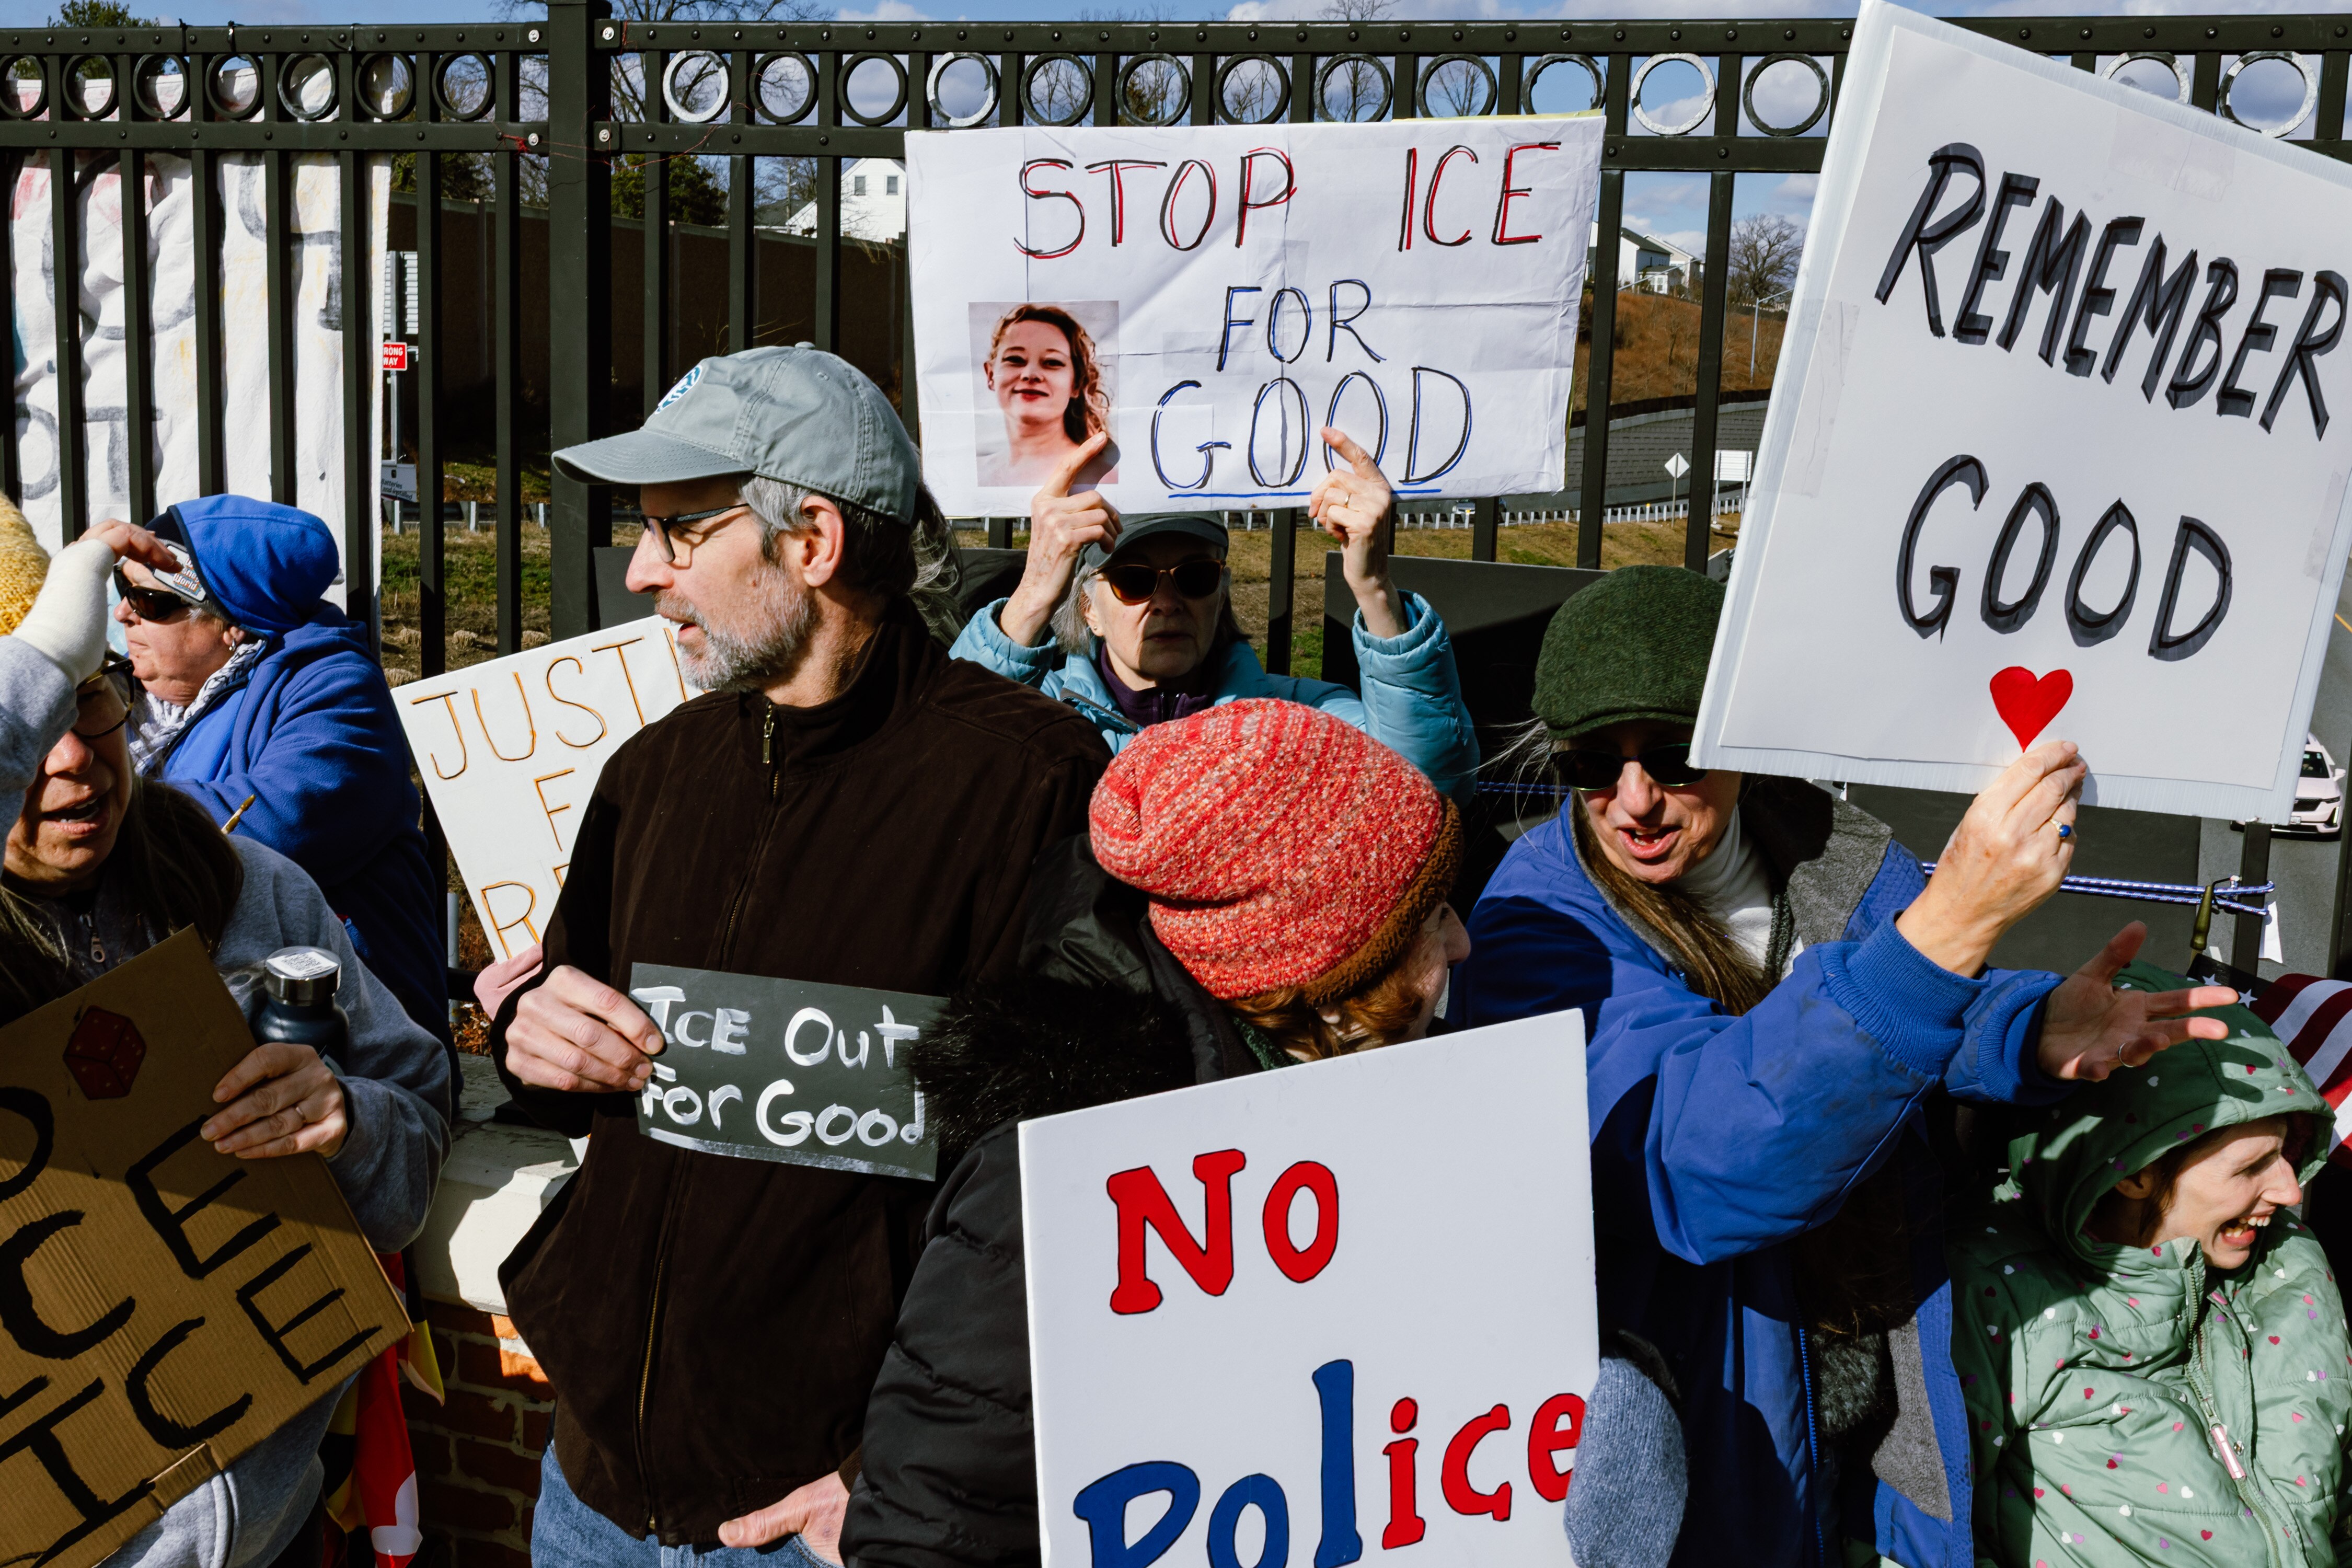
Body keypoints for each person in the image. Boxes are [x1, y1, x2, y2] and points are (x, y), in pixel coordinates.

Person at [1449, 565, 2239, 1568]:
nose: (1635, 802)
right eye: (1593, 766)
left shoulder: (1838, 852)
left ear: (1736, 741)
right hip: (1721, 1422)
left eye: (1676, 758)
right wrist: (1952, 921)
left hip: (1879, 1388)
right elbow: (1712, 1162)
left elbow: (1884, 992)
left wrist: (2025, 1025)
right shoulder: (1537, 924)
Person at [488, 346, 1110, 1566]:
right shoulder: (652, 772)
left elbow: (1068, 1181)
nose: (641, 572)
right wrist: (533, 1037)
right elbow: (568, 1030)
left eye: (677, 528)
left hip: (819, 1520)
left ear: (812, 539)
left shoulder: (1027, 784)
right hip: (591, 1489)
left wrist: (885, 1469)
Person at [839, 699, 1470, 1568]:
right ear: (1328, 966)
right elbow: (935, 1512)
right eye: (1428, 916)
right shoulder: (1072, 1179)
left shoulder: (1394, 1085)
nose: (1464, 943)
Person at [0, 509, 452, 1567]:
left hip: (280, 1528)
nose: (71, 762)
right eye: (27, 722)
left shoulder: (253, 892)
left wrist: (353, 1122)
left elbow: (412, 1133)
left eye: (92, 700)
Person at [1953, 962, 2348, 1566]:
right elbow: (1919, 1526)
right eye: (2250, 1167)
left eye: (2288, 1154)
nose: (2291, 1192)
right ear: (2133, 1170)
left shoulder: (2287, 1271)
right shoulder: (2003, 1295)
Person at [950, 426, 1480, 803]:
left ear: (1221, 594)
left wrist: (1374, 591)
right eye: (1134, 580)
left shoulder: (1295, 718)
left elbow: (1426, 791)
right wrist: (1033, 598)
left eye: (1194, 576)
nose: (1166, 602)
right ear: (1088, 607)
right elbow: (938, 774)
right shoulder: (1036, 719)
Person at [112, 494, 449, 1047]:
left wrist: (97, 802)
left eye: (151, 600)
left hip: (349, 1035)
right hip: (215, 1017)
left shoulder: (337, 688)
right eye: (123, 589)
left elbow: (274, 825)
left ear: (233, 625)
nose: (125, 612)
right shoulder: (138, 694)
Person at [976, 303, 1115, 489]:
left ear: (1076, 384)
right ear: (991, 375)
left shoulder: (1105, 476)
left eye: (1052, 362)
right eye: (1015, 359)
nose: (1030, 374)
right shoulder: (979, 473)